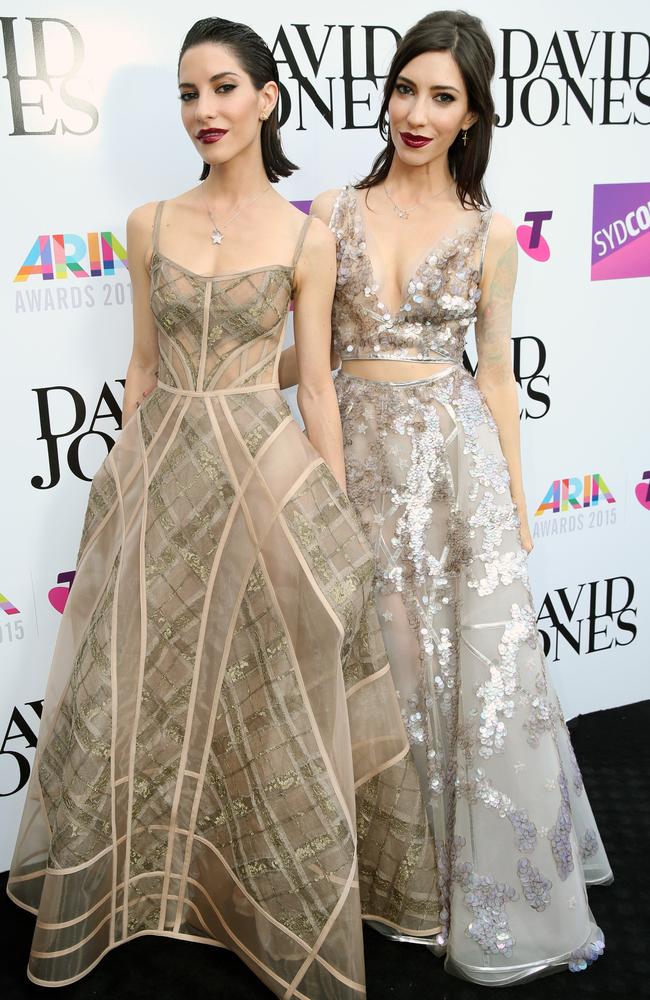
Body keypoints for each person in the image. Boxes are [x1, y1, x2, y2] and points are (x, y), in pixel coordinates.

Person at [7, 18, 439, 998]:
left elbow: (317, 386)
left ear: (266, 97)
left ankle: (262, 895)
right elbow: (144, 370)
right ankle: (145, 888)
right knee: (140, 691)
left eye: (222, 89)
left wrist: (334, 514)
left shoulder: (305, 236)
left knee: (263, 690)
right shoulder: (148, 223)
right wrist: (120, 480)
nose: (204, 110)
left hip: (262, 471)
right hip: (160, 482)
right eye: (188, 94)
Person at [282, 8, 612, 987]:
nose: (413, 113)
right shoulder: (329, 213)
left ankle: (469, 885)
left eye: (440, 98)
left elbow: (498, 379)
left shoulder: (488, 233)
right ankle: (386, 878)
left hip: (451, 463)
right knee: (373, 662)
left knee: (461, 674)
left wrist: (511, 506)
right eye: (403, 89)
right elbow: (308, 365)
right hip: (355, 455)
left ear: (470, 117)